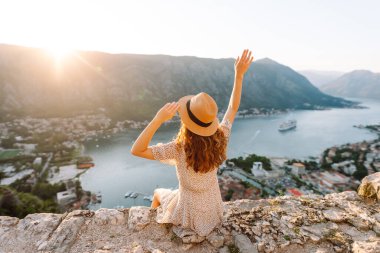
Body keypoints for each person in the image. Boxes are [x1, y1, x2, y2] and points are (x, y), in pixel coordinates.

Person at [131, 49, 254, 237]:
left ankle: (152, 230)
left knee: (157, 192)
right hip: (213, 211)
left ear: (186, 121)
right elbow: (232, 108)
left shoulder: (179, 148)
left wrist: (158, 119)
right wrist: (239, 76)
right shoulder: (221, 138)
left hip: (187, 212)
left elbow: (137, 150)